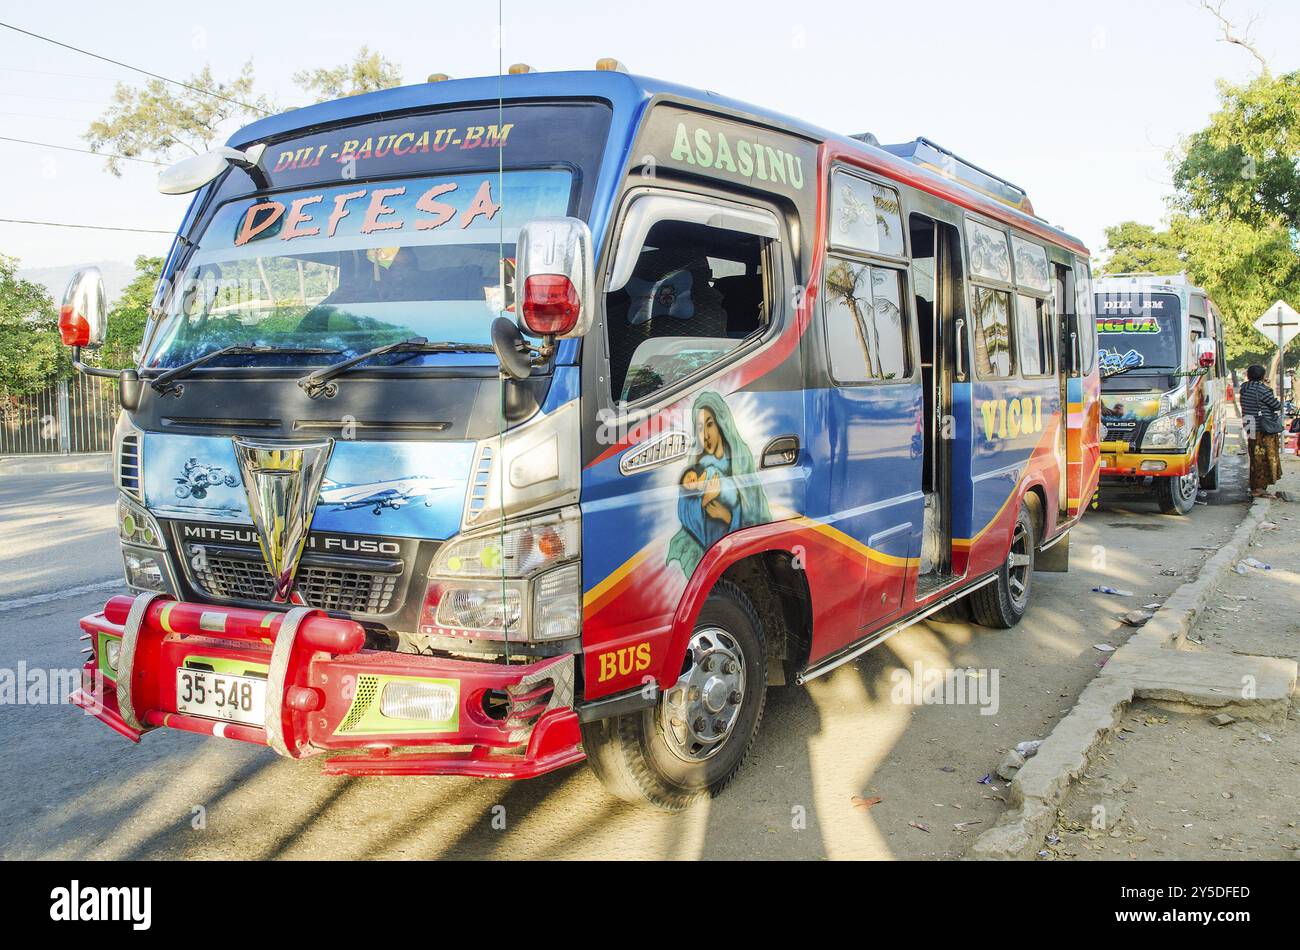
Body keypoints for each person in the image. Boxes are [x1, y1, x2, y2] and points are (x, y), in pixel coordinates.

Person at [1239, 364, 1284, 497]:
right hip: (1262, 427)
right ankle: (1259, 489)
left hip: (1249, 425)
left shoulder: (1244, 388)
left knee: (1254, 456)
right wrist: (1269, 388)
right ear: (1263, 376)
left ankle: (1255, 486)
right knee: (1264, 457)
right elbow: (1277, 405)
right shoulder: (1262, 389)